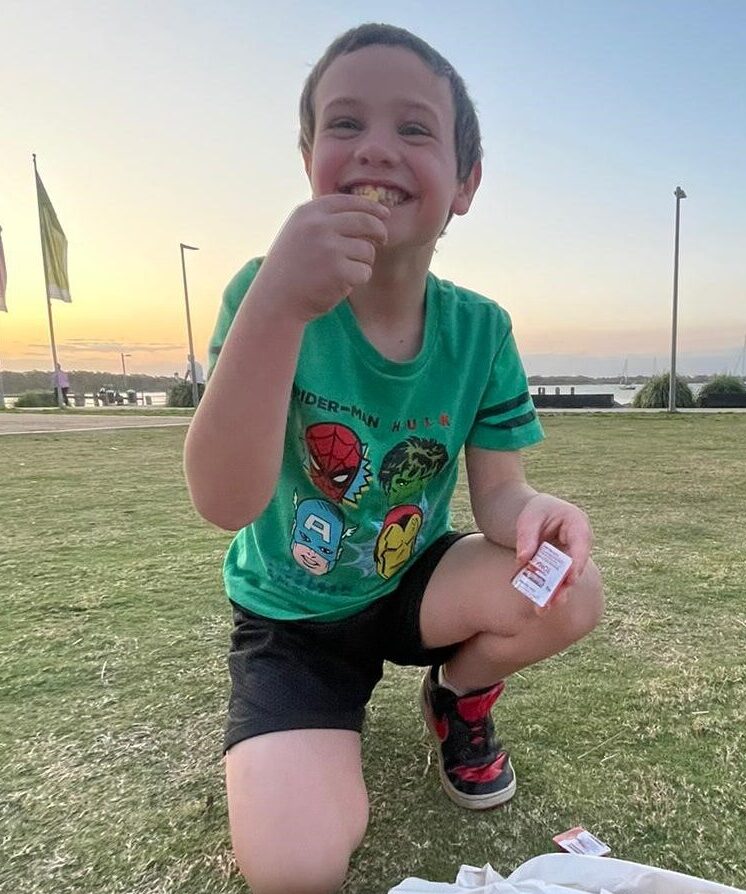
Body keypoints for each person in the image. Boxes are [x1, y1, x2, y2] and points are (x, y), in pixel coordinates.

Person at [184, 23, 603, 894]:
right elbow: (224, 501)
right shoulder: (261, 294)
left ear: (465, 184)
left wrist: (536, 519)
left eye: (414, 129)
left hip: (409, 580)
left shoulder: (480, 328)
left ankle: (456, 699)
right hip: (292, 620)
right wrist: (275, 310)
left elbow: (499, 495)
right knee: (295, 869)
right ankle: (315, 736)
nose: (376, 146)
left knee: (569, 589)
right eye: (345, 125)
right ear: (309, 159)